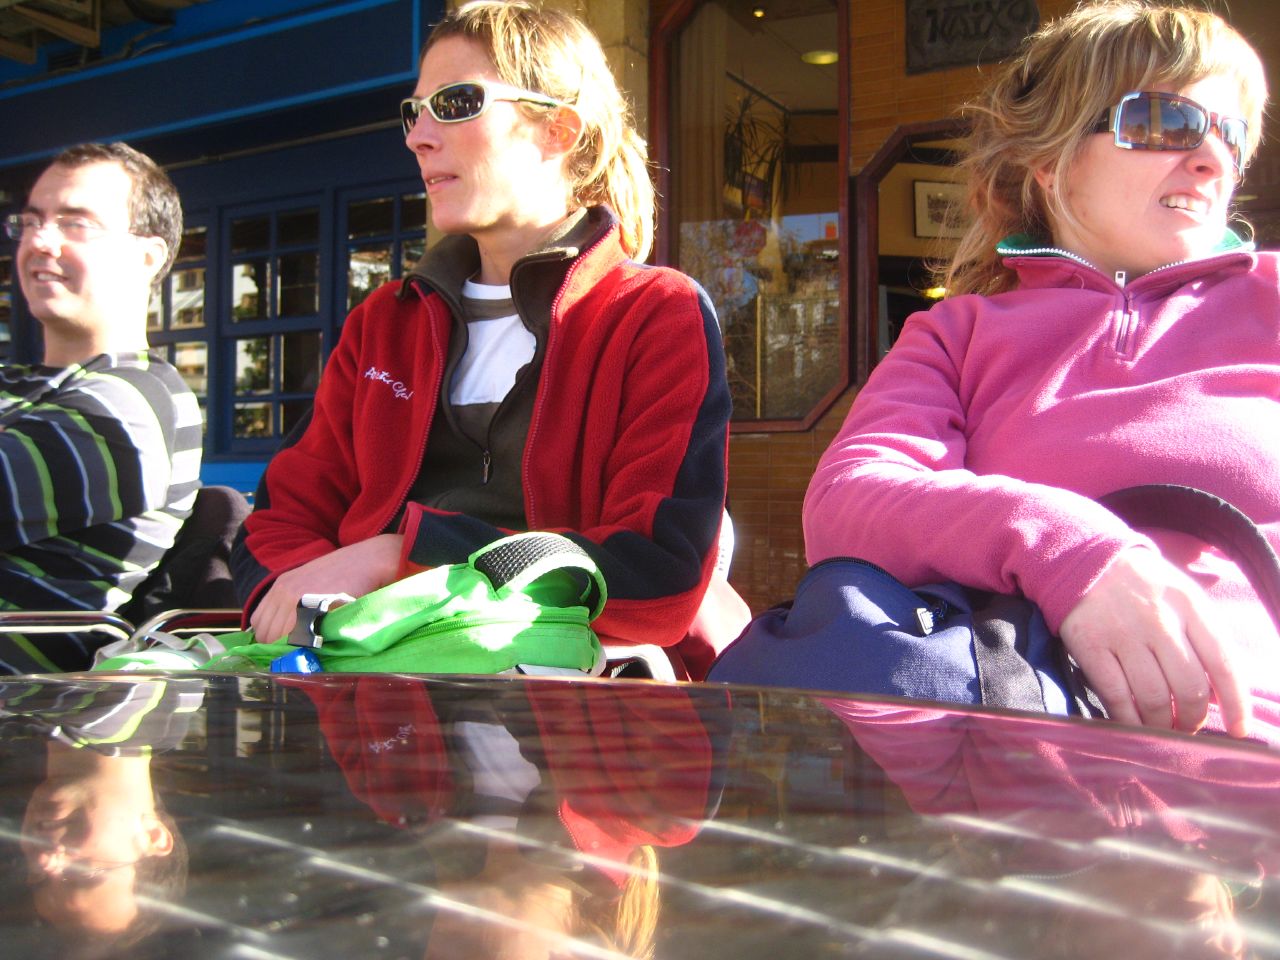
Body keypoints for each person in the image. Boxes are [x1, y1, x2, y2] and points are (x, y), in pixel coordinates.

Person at [803, 2, 1276, 740]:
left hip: (1254, 758)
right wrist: (1069, 551)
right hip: (1027, 752)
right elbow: (846, 501)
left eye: (1231, 133)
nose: (1213, 158)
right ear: (1049, 161)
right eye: (1165, 122)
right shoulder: (956, 333)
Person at [232, 1, 730, 674]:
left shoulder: (656, 314)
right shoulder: (382, 324)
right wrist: (300, 597)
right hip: (355, 687)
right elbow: (276, 519)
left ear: (558, 130)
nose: (418, 137)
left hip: (564, 715)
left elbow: (658, 572)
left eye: (456, 103)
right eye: (414, 113)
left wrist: (396, 553)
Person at [0, 142, 203, 674]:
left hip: (28, 715)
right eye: (32, 220)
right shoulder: (15, 380)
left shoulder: (136, 402)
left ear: (147, 257)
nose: (40, 241)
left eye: (76, 223)